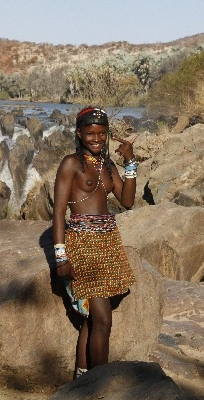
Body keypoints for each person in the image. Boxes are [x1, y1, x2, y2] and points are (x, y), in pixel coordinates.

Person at [52, 106, 136, 378]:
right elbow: (58, 212)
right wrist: (61, 257)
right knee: (103, 319)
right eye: (90, 134)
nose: (97, 139)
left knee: (91, 319)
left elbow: (127, 201)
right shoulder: (71, 164)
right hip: (82, 245)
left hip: (108, 245)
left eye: (102, 134)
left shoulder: (108, 165)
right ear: (79, 134)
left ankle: (83, 380)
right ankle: (102, 385)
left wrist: (130, 164)